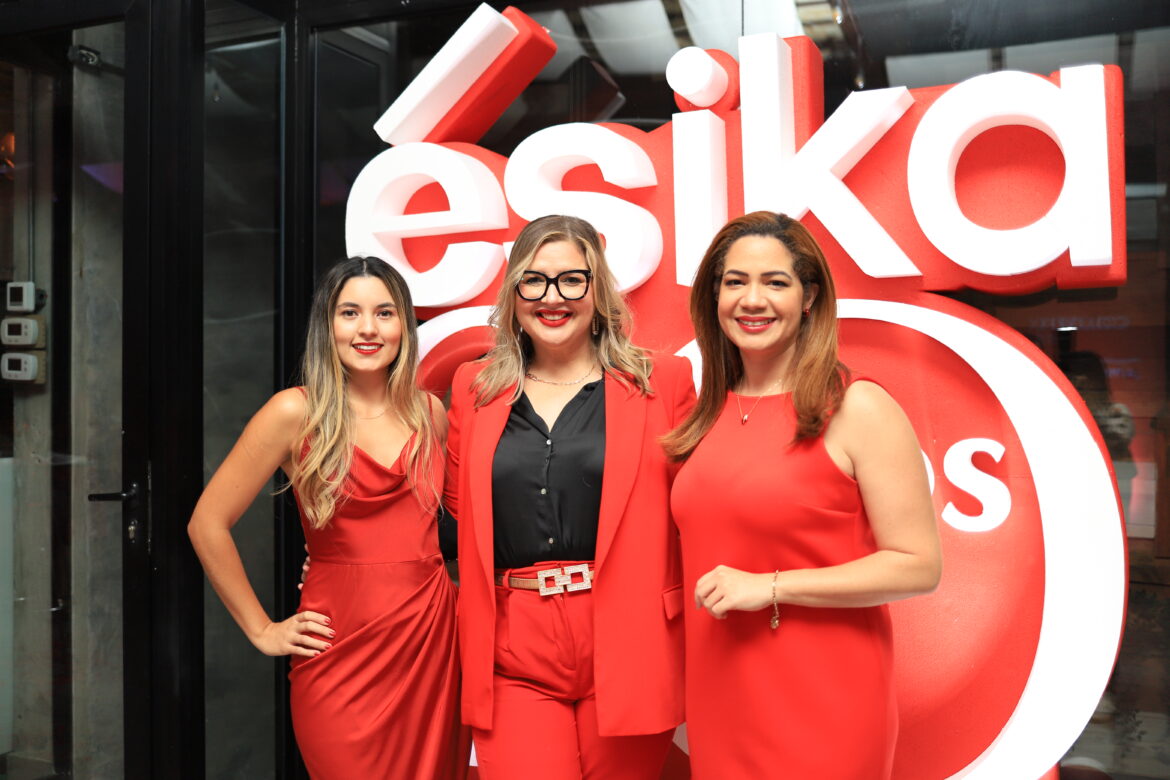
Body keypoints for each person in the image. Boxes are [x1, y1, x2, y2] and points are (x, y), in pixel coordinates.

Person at [663, 212, 942, 779]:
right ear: (714, 296)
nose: (752, 299)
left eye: (776, 282)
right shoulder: (705, 416)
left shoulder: (858, 406)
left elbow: (919, 565)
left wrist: (769, 586)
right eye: (735, 281)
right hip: (721, 698)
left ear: (810, 296)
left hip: (824, 699)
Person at [188, 257, 468, 779]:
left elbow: (453, 527)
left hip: (432, 646)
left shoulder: (429, 412)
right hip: (340, 654)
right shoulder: (294, 412)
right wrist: (262, 629)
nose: (368, 329)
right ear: (327, 325)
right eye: (350, 313)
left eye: (385, 313)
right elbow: (207, 523)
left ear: (404, 325)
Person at [444, 215, 695, 779]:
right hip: (512, 645)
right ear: (513, 293)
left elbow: (700, 508)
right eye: (533, 280)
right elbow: (454, 514)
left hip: (631, 637)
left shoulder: (664, 382)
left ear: (598, 289)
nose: (551, 297)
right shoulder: (473, 387)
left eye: (571, 279)